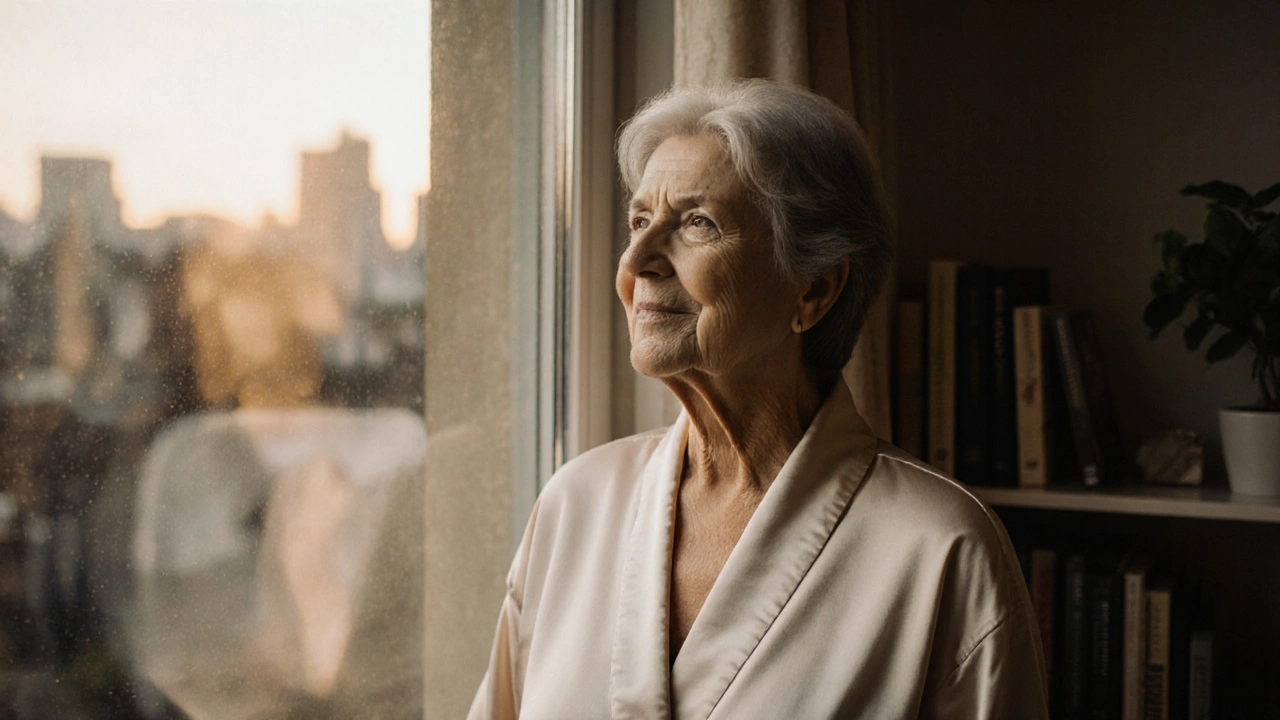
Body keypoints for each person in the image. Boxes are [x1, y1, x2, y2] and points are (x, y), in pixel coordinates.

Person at [468, 79, 1049, 719]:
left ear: (814, 292)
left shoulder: (943, 550)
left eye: (696, 223)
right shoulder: (573, 506)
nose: (636, 261)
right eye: (639, 221)